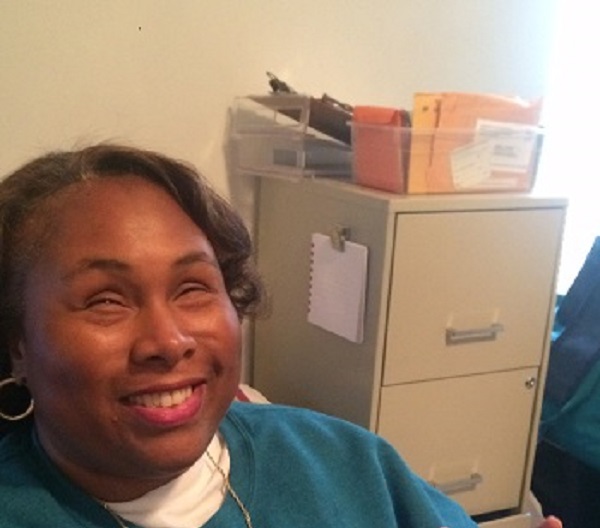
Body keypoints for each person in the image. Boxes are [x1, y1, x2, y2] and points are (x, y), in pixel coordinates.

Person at [0, 144, 561, 528]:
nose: (169, 341)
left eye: (194, 287)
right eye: (105, 300)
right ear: (17, 341)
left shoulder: (344, 460)